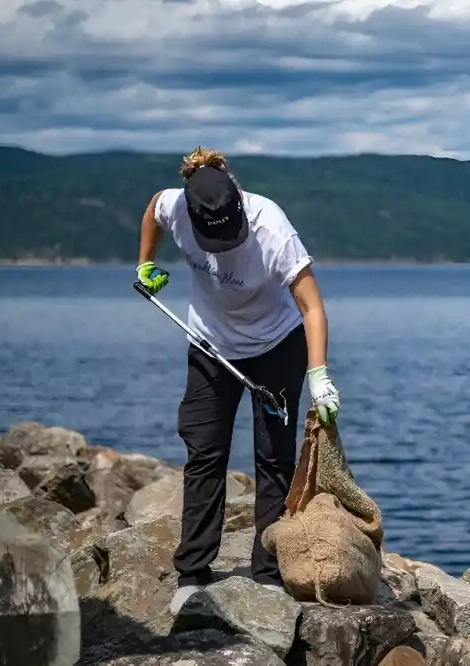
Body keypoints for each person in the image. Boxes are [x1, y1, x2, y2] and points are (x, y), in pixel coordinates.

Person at [136, 146, 341, 614]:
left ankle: (267, 575)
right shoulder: (176, 205)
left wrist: (320, 375)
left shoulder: (271, 227)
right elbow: (152, 208)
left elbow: (312, 307)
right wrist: (145, 262)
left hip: (276, 346)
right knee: (205, 452)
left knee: (273, 458)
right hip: (210, 346)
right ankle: (192, 574)